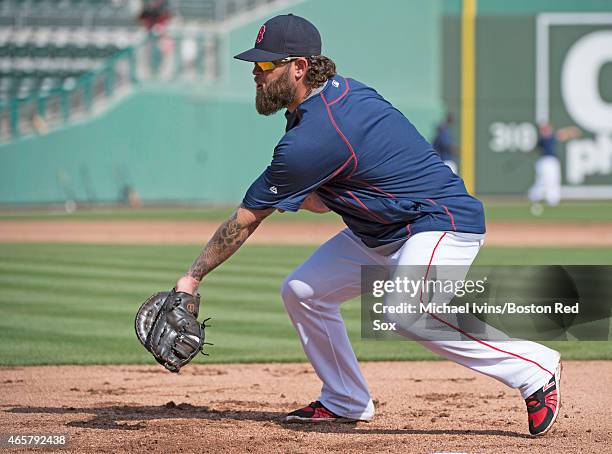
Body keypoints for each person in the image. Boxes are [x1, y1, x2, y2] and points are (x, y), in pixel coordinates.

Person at [173, 14, 562, 436]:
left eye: (266, 65)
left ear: (299, 67)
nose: (255, 73)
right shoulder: (333, 97)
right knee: (303, 292)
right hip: (381, 229)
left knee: (406, 310)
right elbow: (329, 196)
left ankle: (535, 371)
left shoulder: (314, 135)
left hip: (438, 221)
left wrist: (190, 279)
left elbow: (246, 219)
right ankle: (345, 399)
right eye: (255, 64)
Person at [528, 122, 580, 214]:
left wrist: (571, 131)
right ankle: (535, 197)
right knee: (545, 181)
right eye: (545, 129)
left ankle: (552, 201)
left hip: (552, 161)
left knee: (553, 180)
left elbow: (562, 134)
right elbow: (560, 135)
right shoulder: (543, 139)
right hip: (545, 162)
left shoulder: (550, 137)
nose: (547, 130)